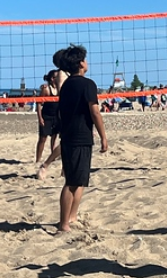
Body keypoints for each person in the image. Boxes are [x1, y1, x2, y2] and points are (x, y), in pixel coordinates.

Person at [49, 44, 108, 234]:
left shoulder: (66, 86)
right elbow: (95, 112)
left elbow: (63, 112)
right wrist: (104, 137)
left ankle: (72, 217)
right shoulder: (87, 84)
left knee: (80, 179)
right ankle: (63, 223)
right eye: (86, 59)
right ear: (81, 63)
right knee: (72, 182)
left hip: (69, 135)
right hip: (79, 136)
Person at [35, 70, 64, 179]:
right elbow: (38, 103)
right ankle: (38, 159)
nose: (59, 78)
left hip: (56, 116)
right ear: (52, 78)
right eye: (57, 76)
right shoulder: (46, 89)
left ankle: (53, 156)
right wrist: (40, 117)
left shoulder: (60, 88)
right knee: (42, 138)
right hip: (46, 116)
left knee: (54, 137)